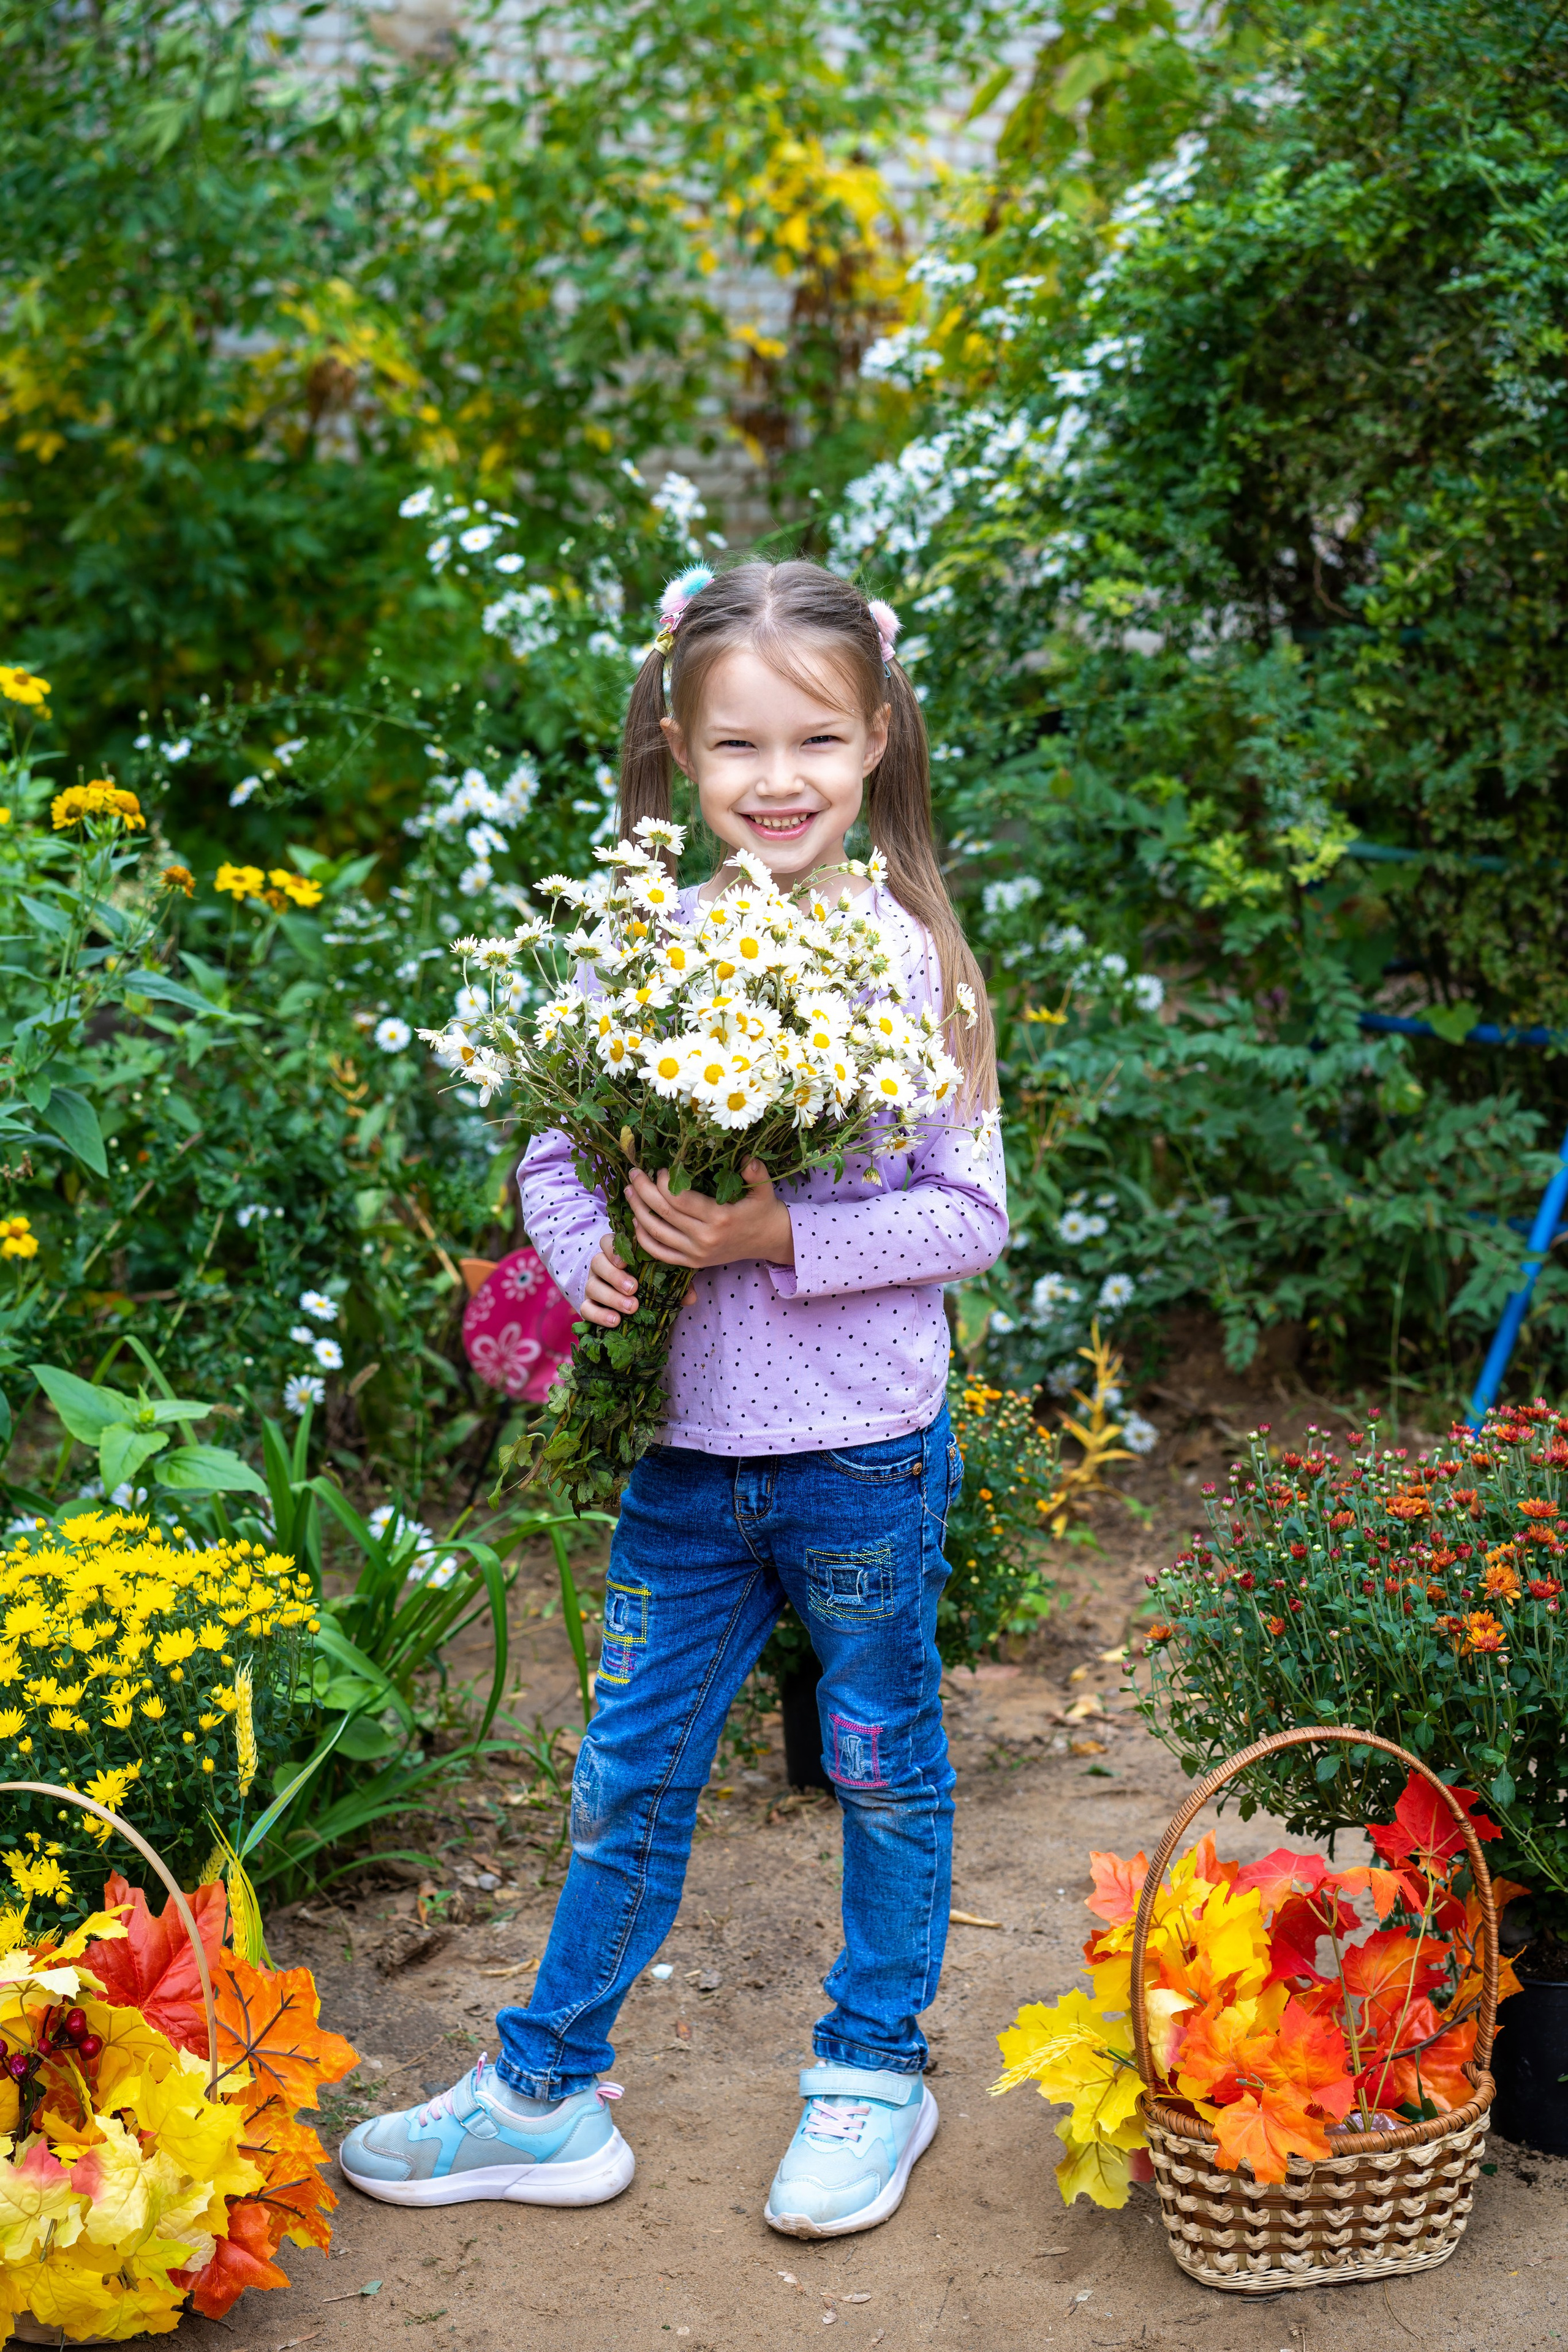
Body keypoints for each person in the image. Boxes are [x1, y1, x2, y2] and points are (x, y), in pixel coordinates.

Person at [340, 559, 1006, 2237]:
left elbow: (970, 1213)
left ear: (876, 744)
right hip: (687, 1465)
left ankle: (872, 2072)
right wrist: (587, 1262)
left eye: (815, 740)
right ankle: (544, 2096)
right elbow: (557, 1152)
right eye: (737, 747)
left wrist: (777, 1227)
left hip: (861, 1457)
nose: (776, 780)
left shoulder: (914, 957)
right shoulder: (643, 943)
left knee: (879, 1762)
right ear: (678, 752)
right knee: (629, 1773)